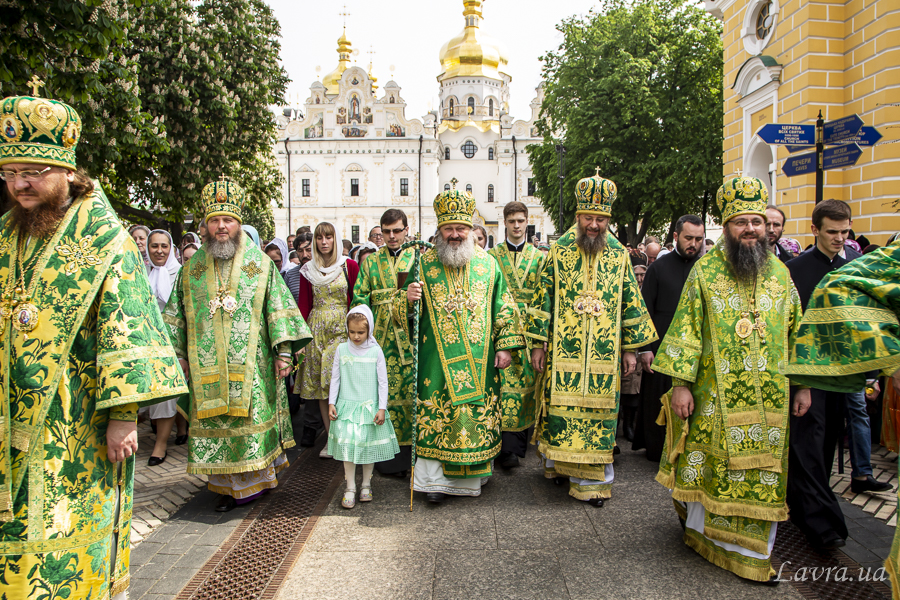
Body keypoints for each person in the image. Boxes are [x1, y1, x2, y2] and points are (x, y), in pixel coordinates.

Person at [0, 85, 187, 599]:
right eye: (10, 173)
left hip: (76, 425)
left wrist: (125, 416)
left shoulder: (106, 240)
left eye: (32, 173)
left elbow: (127, 327)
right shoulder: (4, 234)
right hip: (7, 418)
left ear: (65, 171)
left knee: (66, 536)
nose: (19, 185)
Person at [653, 175, 810, 583]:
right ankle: (708, 537)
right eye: (741, 222)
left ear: (767, 226)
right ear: (727, 227)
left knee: (763, 476)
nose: (751, 230)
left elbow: (797, 331)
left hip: (771, 402)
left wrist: (804, 384)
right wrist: (681, 386)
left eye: (757, 222)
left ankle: (754, 551)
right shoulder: (705, 272)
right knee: (712, 470)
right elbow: (686, 328)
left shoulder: (781, 274)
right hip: (713, 398)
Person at [163, 178, 312, 512]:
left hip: (253, 365)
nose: (220, 227)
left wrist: (284, 352)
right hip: (207, 367)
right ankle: (227, 486)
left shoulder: (259, 264)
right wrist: (179, 355)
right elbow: (176, 316)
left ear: (238, 223)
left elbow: (278, 308)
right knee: (217, 422)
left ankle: (253, 484)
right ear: (205, 225)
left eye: (227, 220)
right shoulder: (191, 270)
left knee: (249, 422)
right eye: (214, 220)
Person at [530, 171, 657, 506]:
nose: (594, 225)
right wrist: (538, 344)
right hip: (563, 353)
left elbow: (631, 300)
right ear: (578, 216)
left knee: (600, 419)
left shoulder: (618, 254)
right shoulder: (558, 251)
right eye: (589, 217)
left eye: (601, 219)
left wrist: (631, 348)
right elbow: (543, 297)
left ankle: (593, 482)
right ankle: (561, 466)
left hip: (604, 354)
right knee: (563, 413)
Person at [783, 236, 900, 590]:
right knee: (811, 444)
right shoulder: (796, 269)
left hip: (837, 381)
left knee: (830, 439)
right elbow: (839, 291)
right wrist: (886, 359)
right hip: (815, 376)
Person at [398, 181, 524, 503]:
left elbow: (504, 306)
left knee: (473, 413)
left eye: (461, 228)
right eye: (448, 228)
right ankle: (433, 484)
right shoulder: (423, 264)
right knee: (438, 415)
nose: (455, 235)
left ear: (471, 229)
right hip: (435, 362)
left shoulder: (488, 265)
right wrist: (408, 300)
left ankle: (471, 481)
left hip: (480, 363)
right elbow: (407, 317)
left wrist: (506, 346)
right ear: (439, 230)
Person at [632, 215, 704, 462]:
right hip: (661, 343)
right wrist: (645, 348)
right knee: (658, 399)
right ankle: (657, 448)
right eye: (688, 238)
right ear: (675, 237)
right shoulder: (658, 269)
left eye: (698, 239)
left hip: (696, 347)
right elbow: (645, 310)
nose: (693, 244)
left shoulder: (705, 269)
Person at [351, 209, 416, 477]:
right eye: (386, 231)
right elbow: (359, 298)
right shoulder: (370, 263)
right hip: (380, 340)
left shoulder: (417, 258)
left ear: (406, 230)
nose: (391, 236)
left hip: (410, 341)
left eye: (396, 231)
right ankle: (384, 458)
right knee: (380, 397)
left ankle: (411, 456)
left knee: (411, 397)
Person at [488, 201, 545, 469]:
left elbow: (544, 298)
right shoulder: (492, 256)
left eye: (521, 221)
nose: (517, 226)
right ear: (505, 223)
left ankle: (515, 447)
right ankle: (499, 445)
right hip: (500, 327)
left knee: (524, 389)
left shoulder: (540, 257)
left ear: (527, 221)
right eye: (512, 221)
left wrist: (541, 339)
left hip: (530, 330)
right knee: (501, 387)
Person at [296, 222, 359, 457]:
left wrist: (359, 333)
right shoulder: (308, 270)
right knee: (322, 389)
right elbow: (304, 305)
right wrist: (299, 341)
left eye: (328, 237)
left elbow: (356, 299)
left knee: (340, 385)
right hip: (316, 331)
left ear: (336, 239)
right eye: (320, 238)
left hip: (342, 330)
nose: (324, 242)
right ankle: (332, 439)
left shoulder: (349, 266)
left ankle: (347, 435)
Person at [328, 306, 400, 508]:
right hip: (347, 408)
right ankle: (350, 486)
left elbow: (382, 382)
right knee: (348, 449)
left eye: (361, 332)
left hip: (369, 409)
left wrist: (382, 408)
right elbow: (335, 378)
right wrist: (331, 402)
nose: (356, 336)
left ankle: (366, 484)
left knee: (368, 448)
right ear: (347, 329)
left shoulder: (376, 352)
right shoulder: (341, 350)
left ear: (369, 331)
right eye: (352, 332)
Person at [145, 230, 189, 464]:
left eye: (164, 246)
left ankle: (160, 445)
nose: (159, 251)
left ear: (172, 249)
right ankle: (180, 429)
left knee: (167, 391)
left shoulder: (181, 274)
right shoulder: (141, 274)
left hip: (174, 342)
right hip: (148, 342)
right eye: (154, 246)